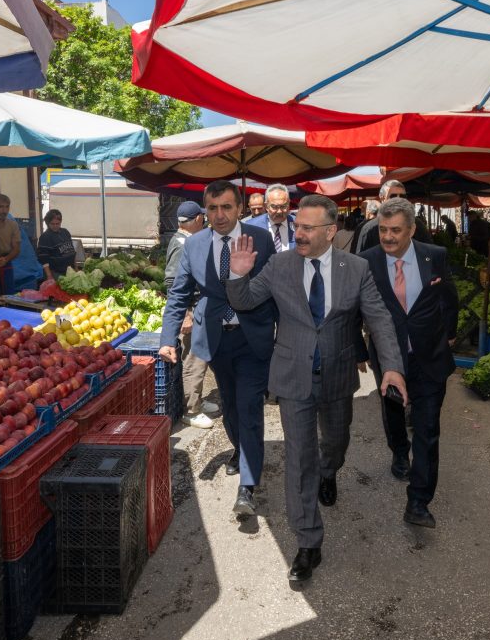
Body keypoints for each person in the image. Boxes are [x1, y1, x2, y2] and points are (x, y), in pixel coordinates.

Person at [226, 194, 406, 582]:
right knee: (299, 458)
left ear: (330, 231)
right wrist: (238, 273)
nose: (299, 234)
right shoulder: (280, 264)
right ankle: (308, 541)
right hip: (293, 376)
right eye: (298, 226)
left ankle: (331, 471)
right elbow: (245, 301)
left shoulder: (355, 268)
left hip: (339, 375)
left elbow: (378, 318)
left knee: (335, 443)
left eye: (308, 228)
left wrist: (391, 368)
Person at [160, 181, 277, 516]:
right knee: (230, 405)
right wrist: (168, 338)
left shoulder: (262, 240)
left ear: (240, 208)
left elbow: (276, 289)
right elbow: (179, 293)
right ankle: (240, 450)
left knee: (250, 407)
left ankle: (247, 487)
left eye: (227, 207)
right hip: (214, 340)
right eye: (212, 208)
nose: (220, 214)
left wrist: (287, 337)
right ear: (204, 211)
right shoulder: (194, 245)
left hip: (253, 338)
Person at [360, 198, 459, 528]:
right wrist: (361, 352)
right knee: (393, 410)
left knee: (429, 429)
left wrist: (450, 334)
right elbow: (354, 309)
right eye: (383, 230)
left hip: (429, 356)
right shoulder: (367, 262)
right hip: (389, 358)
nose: (388, 237)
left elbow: (449, 297)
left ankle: (418, 501)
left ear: (412, 230)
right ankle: (399, 451)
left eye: (395, 231)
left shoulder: (435, 256)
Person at [164, 201, 219, 429]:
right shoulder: (181, 244)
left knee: (202, 357)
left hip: (199, 307)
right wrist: (185, 314)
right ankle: (191, 409)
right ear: (197, 219)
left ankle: (197, 400)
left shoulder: (186, 240)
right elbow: (172, 282)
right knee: (194, 358)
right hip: (191, 310)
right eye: (202, 217)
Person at [357, 181, 408, 253]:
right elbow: (359, 260)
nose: (398, 200)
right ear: (382, 199)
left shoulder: (415, 225)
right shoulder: (369, 229)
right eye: (393, 196)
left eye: (402, 196)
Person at [245, 184, 296, 253]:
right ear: (266, 206)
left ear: (289, 204)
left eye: (283, 206)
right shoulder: (251, 226)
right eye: (274, 207)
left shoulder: (299, 223)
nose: (279, 211)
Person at [36, 209, 76, 281]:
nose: (55, 226)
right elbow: (43, 259)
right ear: (48, 223)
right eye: (52, 224)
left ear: (61, 222)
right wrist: (49, 276)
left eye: (57, 223)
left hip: (70, 272)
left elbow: (72, 252)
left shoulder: (65, 232)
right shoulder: (45, 237)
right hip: (55, 274)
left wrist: (76, 268)